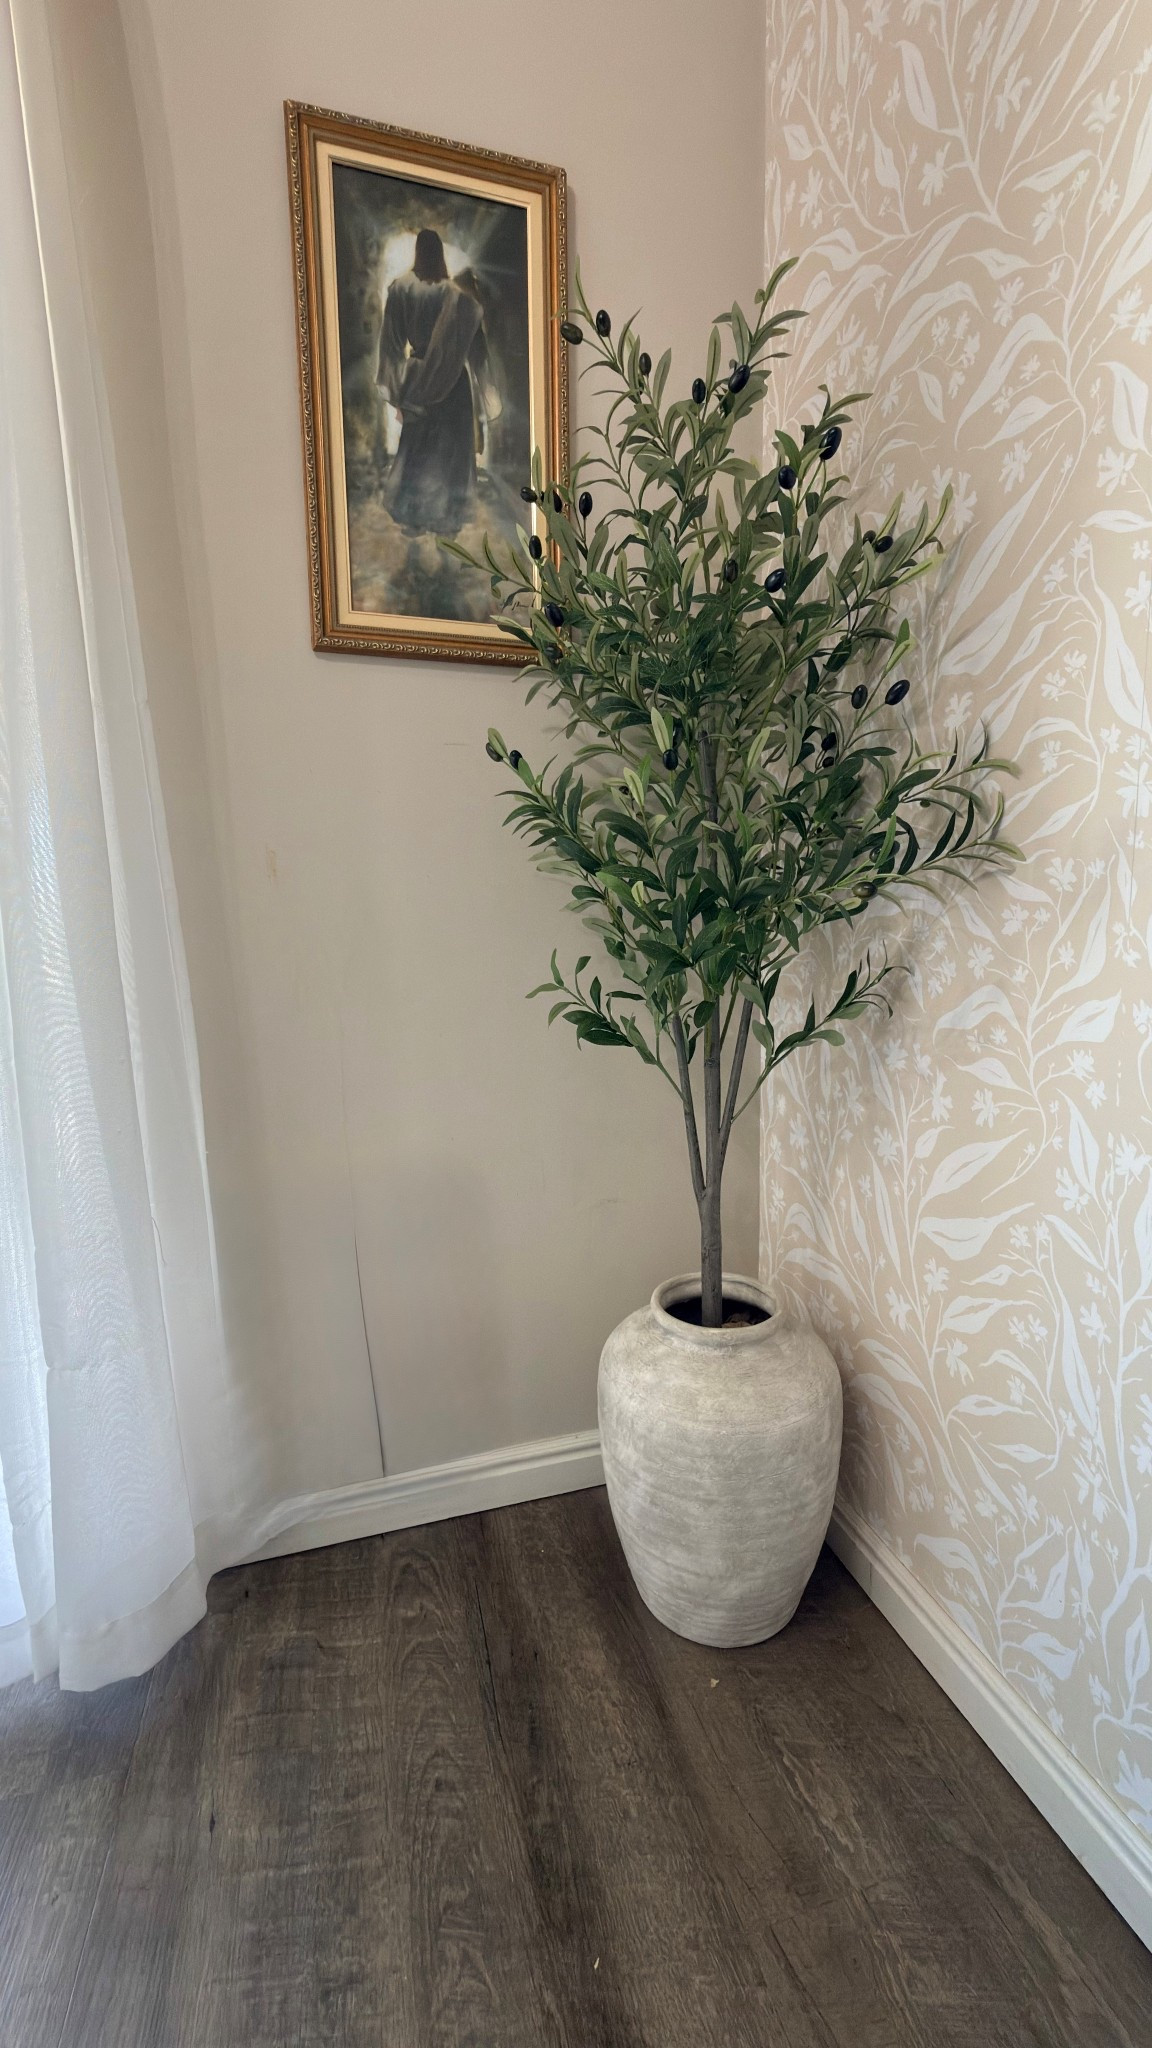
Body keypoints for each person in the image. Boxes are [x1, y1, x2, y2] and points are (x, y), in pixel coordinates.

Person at [376, 228, 498, 535]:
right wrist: (489, 396)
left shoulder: (401, 289)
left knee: (418, 451)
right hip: (454, 383)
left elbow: (390, 347)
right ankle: (448, 521)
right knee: (449, 454)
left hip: (417, 383)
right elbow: (476, 349)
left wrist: (398, 393)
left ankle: (414, 520)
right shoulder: (459, 297)